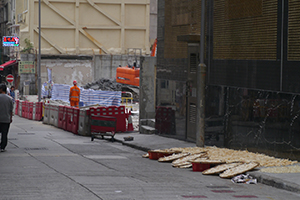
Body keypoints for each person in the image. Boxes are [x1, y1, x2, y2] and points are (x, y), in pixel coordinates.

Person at [0, 83, 13, 152]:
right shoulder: (10, 99)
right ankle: (2, 147)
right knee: (4, 134)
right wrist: (10, 118)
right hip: (6, 119)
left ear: (1, 89)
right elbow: (11, 110)